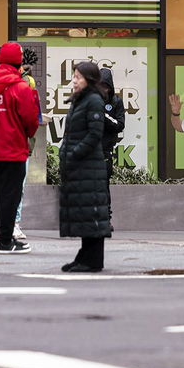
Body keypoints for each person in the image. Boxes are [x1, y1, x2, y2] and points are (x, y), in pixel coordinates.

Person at [0, 43, 41, 254]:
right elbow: (31, 120)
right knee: (11, 196)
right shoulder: (20, 87)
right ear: (19, 62)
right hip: (13, 149)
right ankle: (5, 242)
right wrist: (25, 133)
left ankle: (4, 238)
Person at [59, 61, 112, 272]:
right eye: (73, 76)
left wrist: (73, 154)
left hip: (89, 167)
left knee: (91, 214)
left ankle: (93, 260)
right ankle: (85, 257)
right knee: (85, 214)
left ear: (89, 80)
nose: (74, 80)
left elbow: (94, 135)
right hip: (80, 168)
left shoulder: (94, 101)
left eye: (78, 77)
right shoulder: (80, 100)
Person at [100, 67, 126, 180]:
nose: (103, 90)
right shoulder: (89, 100)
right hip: (89, 152)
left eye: (106, 87)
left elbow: (120, 124)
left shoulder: (116, 101)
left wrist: (103, 117)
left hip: (106, 151)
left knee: (103, 186)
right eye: (100, 86)